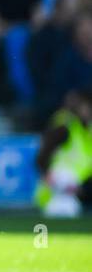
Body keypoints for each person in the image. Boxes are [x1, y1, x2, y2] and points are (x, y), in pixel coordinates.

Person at [34, 88, 92, 217]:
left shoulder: (86, 131)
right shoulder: (65, 126)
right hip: (57, 191)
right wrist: (46, 173)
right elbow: (44, 151)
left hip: (77, 192)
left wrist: (84, 189)